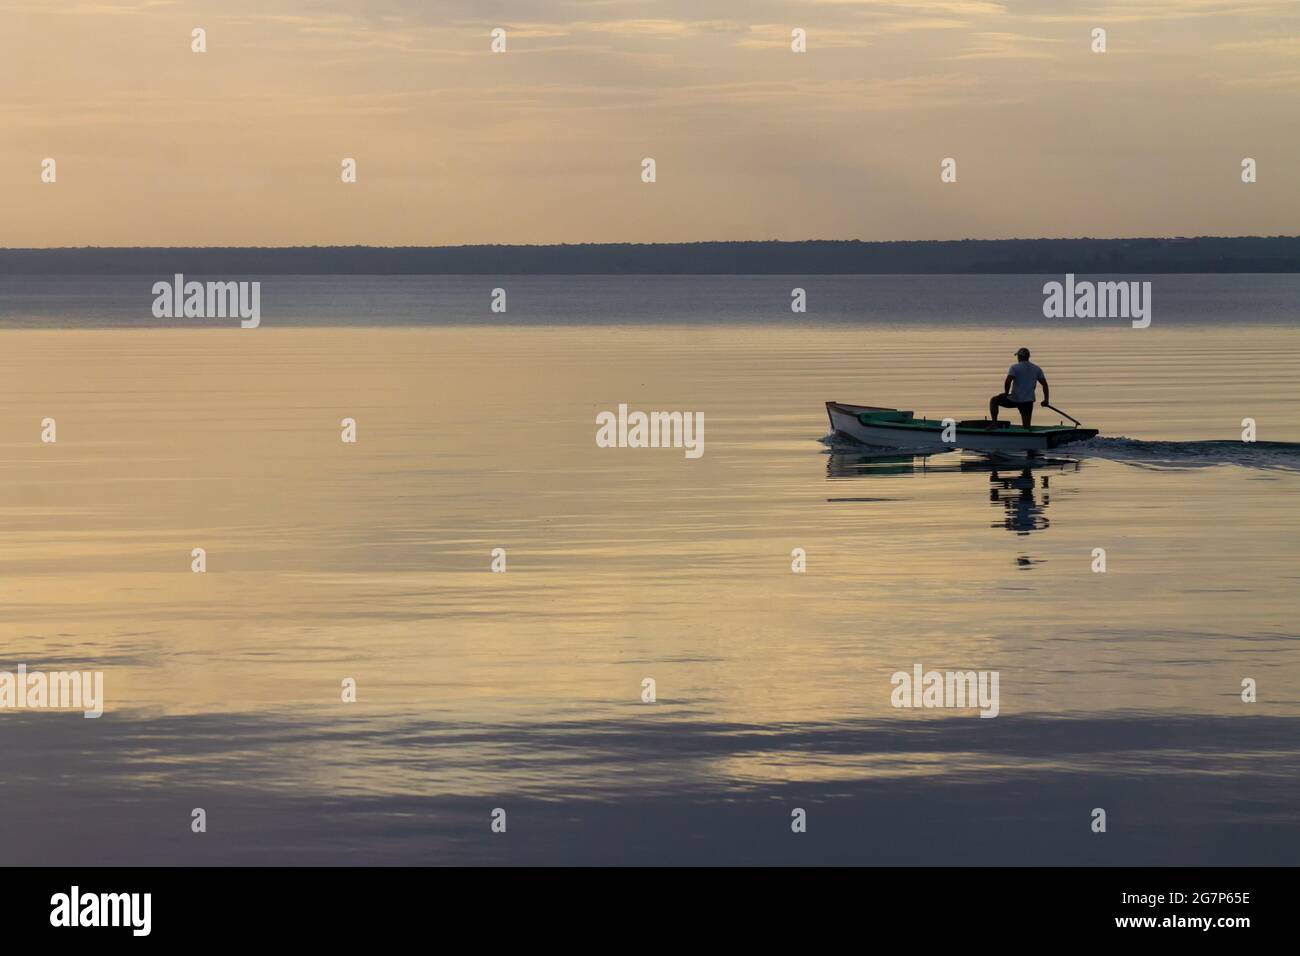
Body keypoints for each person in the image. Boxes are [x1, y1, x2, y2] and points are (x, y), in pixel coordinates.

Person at [989, 347, 1048, 428]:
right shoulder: (1037, 368)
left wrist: (1006, 393)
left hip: (1015, 399)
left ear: (1020, 357)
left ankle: (994, 424)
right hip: (1028, 400)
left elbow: (1008, 380)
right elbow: (1045, 385)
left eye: (1018, 356)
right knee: (1026, 426)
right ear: (1028, 357)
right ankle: (1027, 435)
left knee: (994, 401)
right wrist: (1046, 400)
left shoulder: (1014, 367)